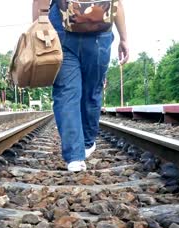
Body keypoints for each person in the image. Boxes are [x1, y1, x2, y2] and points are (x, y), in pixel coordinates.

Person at [32, 0, 130, 172]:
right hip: (100, 30)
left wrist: (37, 32)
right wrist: (124, 39)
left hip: (62, 30)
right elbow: (118, 3)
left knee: (66, 93)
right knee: (92, 91)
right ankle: (86, 143)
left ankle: (74, 158)